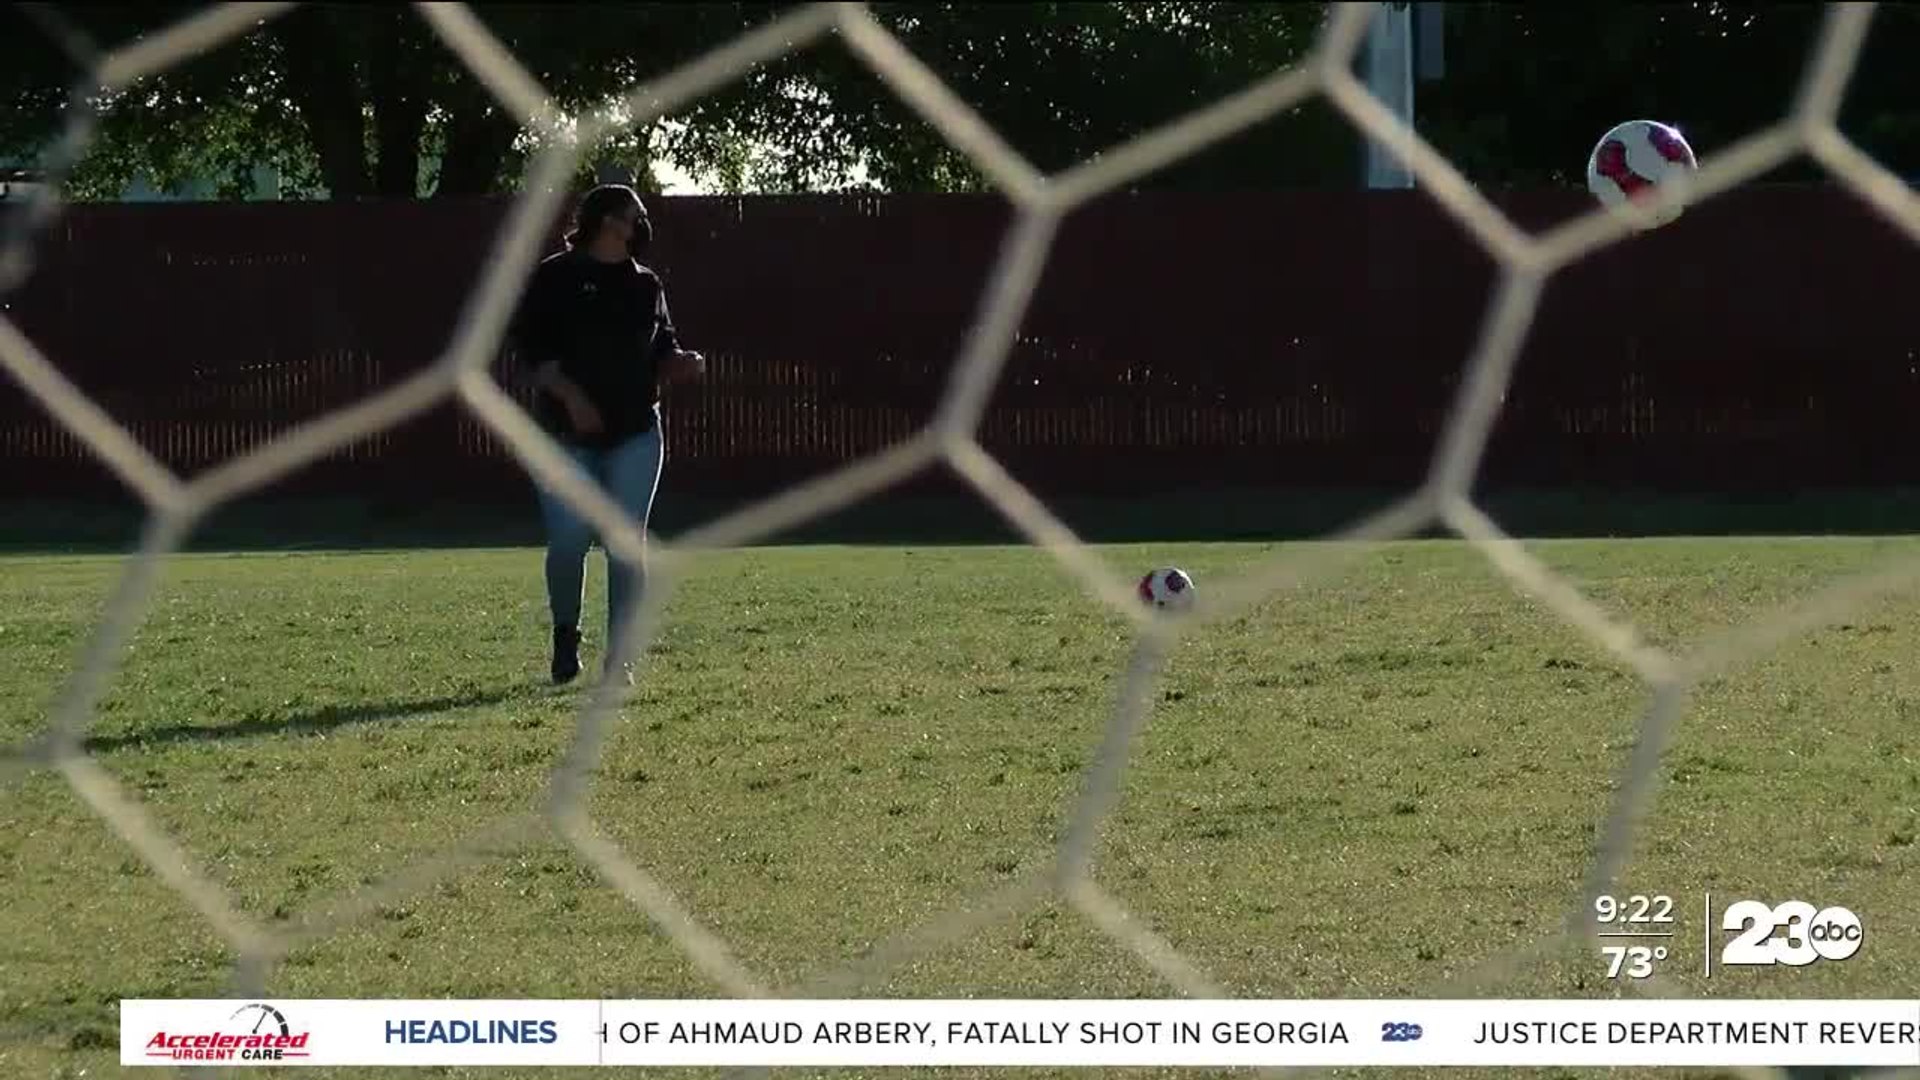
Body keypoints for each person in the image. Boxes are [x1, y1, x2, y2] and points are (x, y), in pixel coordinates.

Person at [507, 183, 705, 687]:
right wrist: (573, 400)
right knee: (570, 539)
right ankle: (565, 634)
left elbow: (662, 344)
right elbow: (533, 354)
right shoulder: (556, 277)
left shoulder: (646, 285)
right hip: (564, 436)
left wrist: (678, 363)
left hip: (636, 430)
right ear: (607, 220)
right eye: (635, 214)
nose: (642, 223)